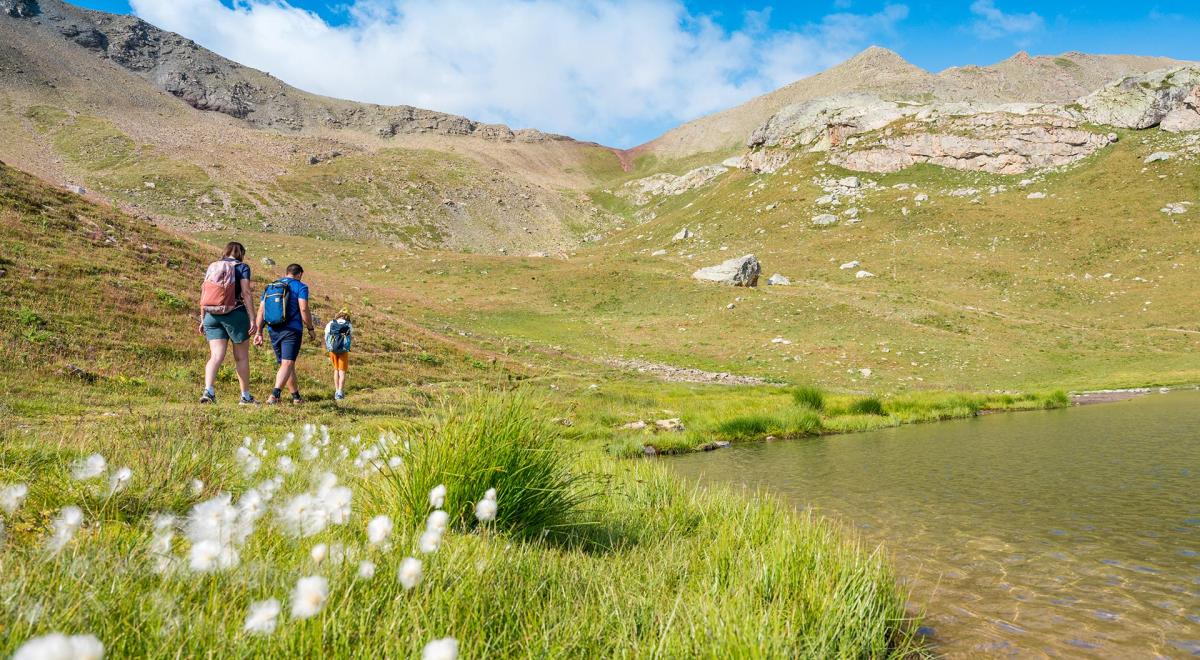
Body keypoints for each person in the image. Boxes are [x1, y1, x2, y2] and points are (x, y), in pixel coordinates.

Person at [198, 241, 258, 405]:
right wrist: (253, 318)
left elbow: (205, 291)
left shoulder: (213, 266)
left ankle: (208, 391)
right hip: (235, 314)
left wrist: (202, 317)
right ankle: (245, 397)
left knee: (216, 356)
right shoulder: (242, 267)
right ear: (241, 253)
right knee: (241, 357)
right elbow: (246, 292)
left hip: (212, 315)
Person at [254, 263, 316, 404]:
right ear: (299, 274)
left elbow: (261, 310)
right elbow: (304, 309)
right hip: (292, 330)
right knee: (288, 363)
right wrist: (310, 328)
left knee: (286, 364)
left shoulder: (271, 286)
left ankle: (296, 397)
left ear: (287, 272)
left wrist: (259, 332)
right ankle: (274, 395)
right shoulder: (301, 286)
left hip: (273, 329)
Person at [324, 308, 354, 400]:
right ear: (347, 316)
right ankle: (340, 392)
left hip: (332, 350)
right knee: (342, 371)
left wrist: (329, 347)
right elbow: (350, 336)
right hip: (343, 350)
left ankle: (336, 390)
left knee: (336, 370)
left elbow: (326, 336)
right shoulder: (348, 325)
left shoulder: (331, 323)